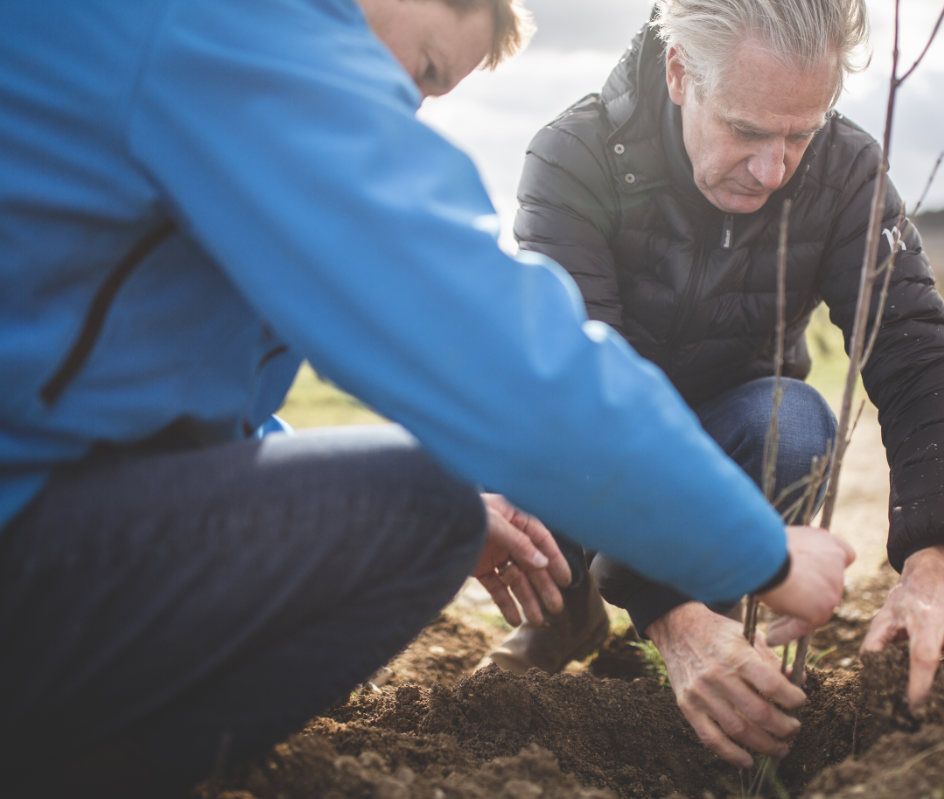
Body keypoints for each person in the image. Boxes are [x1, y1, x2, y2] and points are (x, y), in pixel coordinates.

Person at [0, 0, 856, 793]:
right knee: (420, 507)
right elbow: (502, 357)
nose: (400, 111)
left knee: (428, 506)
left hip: (43, 503)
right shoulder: (227, 25)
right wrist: (759, 552)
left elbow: (157, 408)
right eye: (422, 72)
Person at [482, 0, 944, 768]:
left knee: (794, 424)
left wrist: (939, 558)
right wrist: (668, 615)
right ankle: (573, 615)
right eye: (746, 130)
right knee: (528, 455)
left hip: (733, 431)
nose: (775, 170)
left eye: (799, 134)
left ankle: (720, 614)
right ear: (679, 74)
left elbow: (920, 354)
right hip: (587, 437)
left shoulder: (844, 173)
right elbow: (577, 393)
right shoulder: (577, 156)